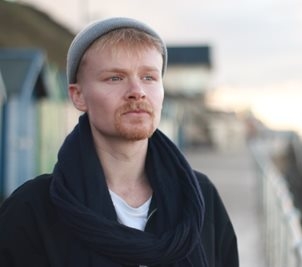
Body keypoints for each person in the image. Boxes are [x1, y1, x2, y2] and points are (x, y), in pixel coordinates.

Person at [0, 17, 238, 267]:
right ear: (78, 95)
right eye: (115, 78)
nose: (137, 90)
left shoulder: (199, 197)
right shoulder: (32, 209)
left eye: (149, 77)